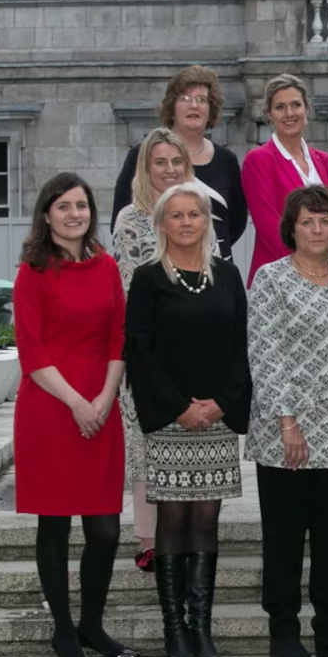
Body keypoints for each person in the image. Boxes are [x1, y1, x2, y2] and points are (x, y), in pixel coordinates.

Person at [126, 182, 251, 657]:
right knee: (173, 522)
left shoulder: (228, 276)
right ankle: (174, 631)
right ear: (161, 224)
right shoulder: (149, 278)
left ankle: (201, 629)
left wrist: (221, 404)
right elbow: (140, 350)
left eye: (193, 214)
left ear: (206, 222)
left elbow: (244, 347)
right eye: (174, 215)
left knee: (206, 521)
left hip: (217, 419)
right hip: (170, 419)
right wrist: (180, 408)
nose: (184, 223)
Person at [15, 173, 137, 657]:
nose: (74, 214)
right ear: (47, 215)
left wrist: (104, 398)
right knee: (55, 525)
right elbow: (32, 349)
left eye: (82, 206)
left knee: (105, 530)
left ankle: (92, 624)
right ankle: (64, 630)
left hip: (101, 405)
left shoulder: (106, 265)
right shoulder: (33, 271)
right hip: (51, 406)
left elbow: (118, 337)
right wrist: (77, 404)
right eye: (63, 206)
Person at [247, 186, 328, 657]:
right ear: (290, 229)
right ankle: (283, 631)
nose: (317, 230)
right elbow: (265, 353)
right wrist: (288, 423)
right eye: (307, 222)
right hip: (285, 430)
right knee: (285, 536)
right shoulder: (269, 279)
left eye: (325, 221)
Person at [113, 128, 194, 573]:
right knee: (145, 448)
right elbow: (127, 290)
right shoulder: (131, 218)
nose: (168, 170)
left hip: (192, 351)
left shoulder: (198, 211)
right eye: (159, 162)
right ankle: (149, 540)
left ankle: (183, 536)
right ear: (146, 168)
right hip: (145, 350)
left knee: (185, 445)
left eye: (176, 162)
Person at [110, 65, 247, 260]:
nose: (194, 105)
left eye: (201, 100)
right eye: (185, 99)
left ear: (211, 109)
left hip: (217, 269)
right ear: (172, 107)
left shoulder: (227, 160)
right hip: (154, 268)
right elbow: (120, 220)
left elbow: (236, 223)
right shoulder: (142, 154)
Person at [241, 73, 328, 285]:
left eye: (295, 105)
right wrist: (307, 268)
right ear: (269, 114)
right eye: (280, 107)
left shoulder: (325, 161)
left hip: (326, 276)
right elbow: (269, 226)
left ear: (306, 109)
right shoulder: (258, 160)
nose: (289, 113)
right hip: (279, 277)